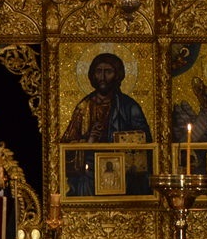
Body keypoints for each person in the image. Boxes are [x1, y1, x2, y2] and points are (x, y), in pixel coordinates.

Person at [62, 52, 151, 196]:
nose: (102, 77)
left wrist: (123, 142)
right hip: (89, 172)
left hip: (122, 172)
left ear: (117, 75)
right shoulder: (83, 107)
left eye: (108, 72)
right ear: (92, 75)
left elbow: (145, 143)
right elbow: (65, 147)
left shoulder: (129, 107)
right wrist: (89, 140)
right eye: (98, 71)